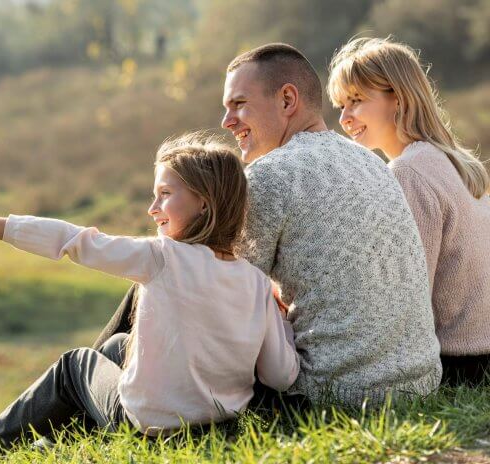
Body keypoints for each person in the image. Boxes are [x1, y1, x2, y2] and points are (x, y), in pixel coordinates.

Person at [0, 133, 300, 463]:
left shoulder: (162, 257)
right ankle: (55, 439)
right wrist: (280, 319)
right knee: (118, 345)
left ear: (205, 203)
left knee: (74, 366)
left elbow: (73, 240)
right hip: (212, 430)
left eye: (165, 195)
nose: (152, 209)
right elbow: (280, 375)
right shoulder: (255, 283)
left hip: (147, 429)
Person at [96, 43, 442, 408]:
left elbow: (213, 294)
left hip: (333, 393)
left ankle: (95, 402)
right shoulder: (370, 163)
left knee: (157, 280)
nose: (227, 122)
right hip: (417, 382)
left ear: (287, 100)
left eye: (239, 105)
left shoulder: (270, 177)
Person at [327, 37, 490, 387]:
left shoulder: (409, 173)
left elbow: (406, 300)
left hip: (461, 366)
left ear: (397, 98)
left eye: (356, 101)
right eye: (341, 105)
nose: (344, 118)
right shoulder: (456, 161)